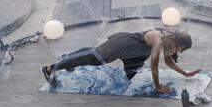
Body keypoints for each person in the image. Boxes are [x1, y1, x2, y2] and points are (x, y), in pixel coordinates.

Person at [42, 29, 199, 94]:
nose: (180, 52)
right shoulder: (159, 39)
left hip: (134, 55)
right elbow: (154, 66)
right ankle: (50, 68)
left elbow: (169, 62)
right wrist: (158, 87)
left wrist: (185, 73)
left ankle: (68, 57)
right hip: (122, 45)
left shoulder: (169, 44)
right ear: (178, 42)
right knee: (94, 59)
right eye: (182, 49)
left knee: (130, 75)